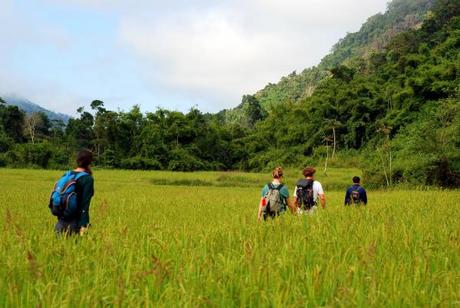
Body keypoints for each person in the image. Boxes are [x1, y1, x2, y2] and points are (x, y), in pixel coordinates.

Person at [54, 149, 95, 235]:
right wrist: (83, 225)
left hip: (60, 224)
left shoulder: (67, 174)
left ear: (77, 160)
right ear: (90, 162)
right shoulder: (87, 179)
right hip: (75, 224)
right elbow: (85, 205)